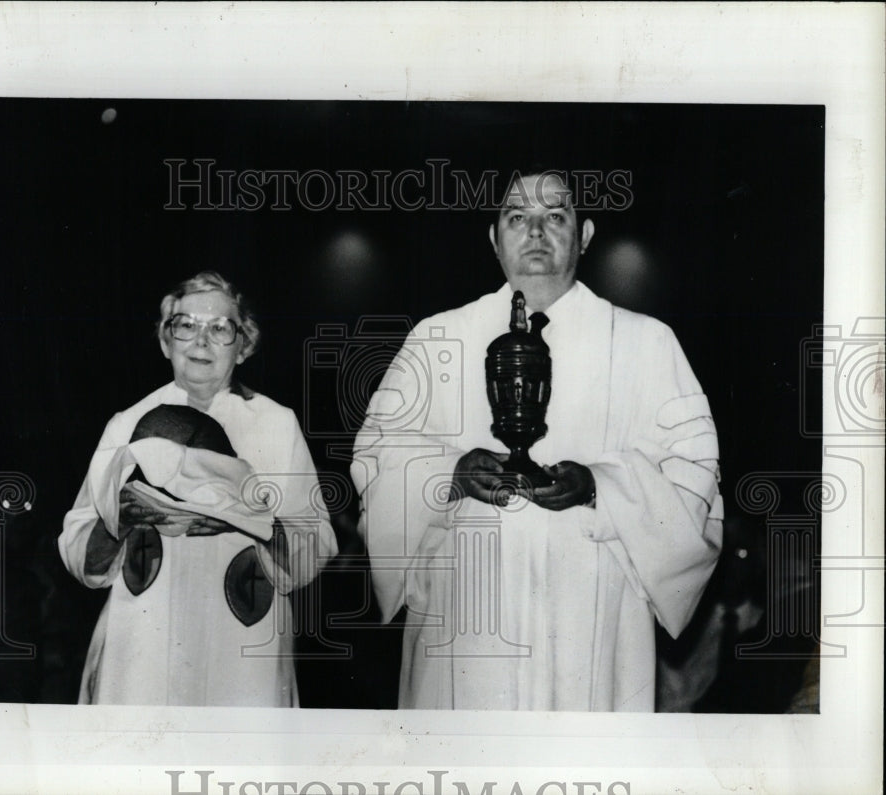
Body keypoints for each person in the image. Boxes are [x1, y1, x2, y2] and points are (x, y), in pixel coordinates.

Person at [351, 170, 723, 710]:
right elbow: (375, 458)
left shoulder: (646, 343)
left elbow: (696, 478)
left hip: (595, 623)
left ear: (586, 235)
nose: (536, 231)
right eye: (516, 217)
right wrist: (448, 474)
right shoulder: (436, 338)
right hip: (466, 623)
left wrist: (601, 486)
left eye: (556, 216)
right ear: (494, 238)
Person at [59, 271, 337, 706]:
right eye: (186, 325)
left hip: (241, 644)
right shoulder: (128, 423)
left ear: (243, 346)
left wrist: (251, 520)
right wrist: (119, 520)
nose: (201, 341)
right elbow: (80, 555)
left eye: (220, 328)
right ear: (166, 341)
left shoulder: (276, 424)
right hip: (143, 644)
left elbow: (313, 549)